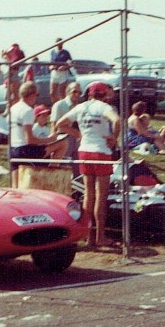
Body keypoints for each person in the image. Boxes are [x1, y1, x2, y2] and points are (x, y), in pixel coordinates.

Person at [55, 81, 120, 249]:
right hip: (101, 152)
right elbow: (117, 121)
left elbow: (59, 124)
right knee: (101, 195)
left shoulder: (80, 107)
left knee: (88, 195)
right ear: (104, 95)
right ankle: (101, 237)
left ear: (89, 94)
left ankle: (88, 236)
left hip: (84, 152)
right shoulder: (105, 108)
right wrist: (114, 137)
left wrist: (77, 134)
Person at [9, 81, 65, 188]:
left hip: (12, 150)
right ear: (32, 94)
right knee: (63, 143)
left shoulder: (13, 108)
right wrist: (49, 139)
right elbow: (30, 140)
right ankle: (50, 176)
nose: (37, 97)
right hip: (24, 151)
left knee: (15, 187)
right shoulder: (28, 110)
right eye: (37, 95)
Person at [51, 82, 83, 174]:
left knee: (77, 166)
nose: (77, 94)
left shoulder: (80, 107)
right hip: (63, 139)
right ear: (67, 92)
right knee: (63, 167)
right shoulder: (59, 105)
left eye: (80, 93)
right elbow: (54, 126)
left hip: (77, 140)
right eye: (74, 92)